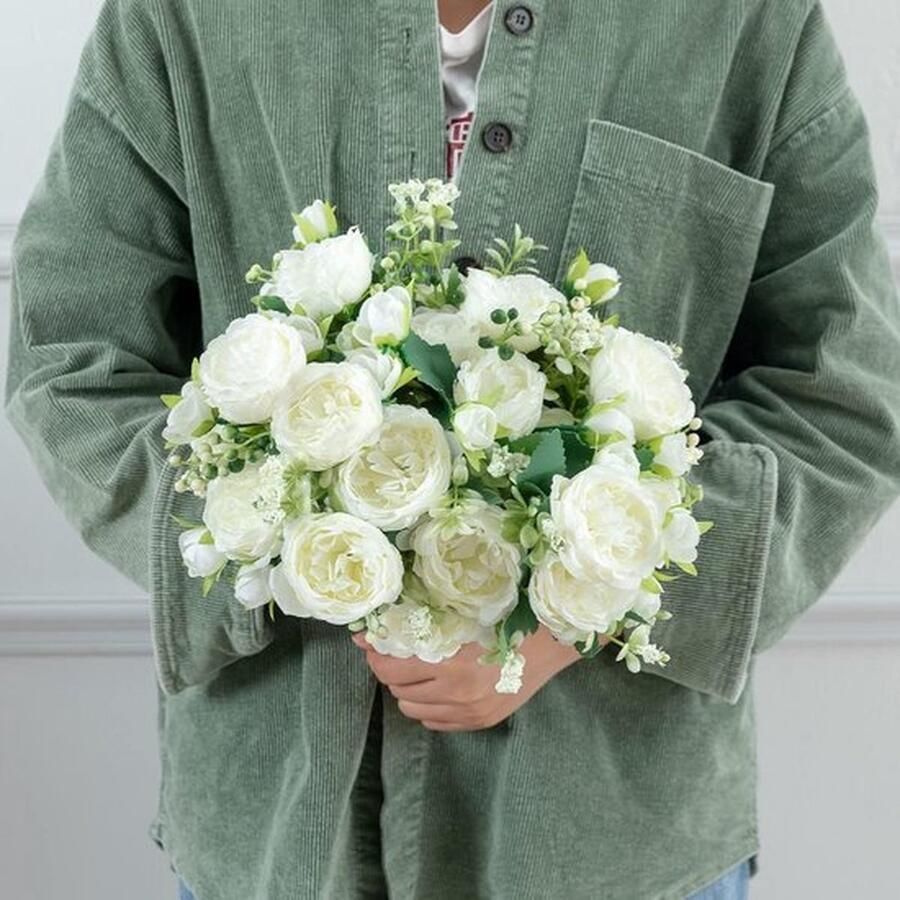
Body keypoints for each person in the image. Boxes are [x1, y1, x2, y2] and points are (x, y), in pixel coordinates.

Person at [5, 0, 900, 897]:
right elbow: (71, 355)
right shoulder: (184, 17)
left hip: (618, 841)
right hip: (277, 831)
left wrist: (582, 609)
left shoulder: (746, 21)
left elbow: (847, 394)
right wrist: (283, 548)